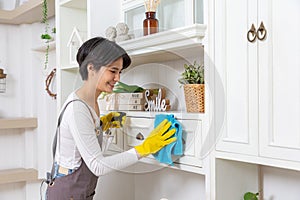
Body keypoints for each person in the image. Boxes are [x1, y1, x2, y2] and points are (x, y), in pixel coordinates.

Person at [45, 37, 176, 200]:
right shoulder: (77, 109)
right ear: (91, 68)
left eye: (120, 72)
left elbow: (90, 150)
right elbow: (97, 165)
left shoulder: (92, 102)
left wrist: (102, 127)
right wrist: (144, 148)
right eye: (113, 71)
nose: (118, 78)